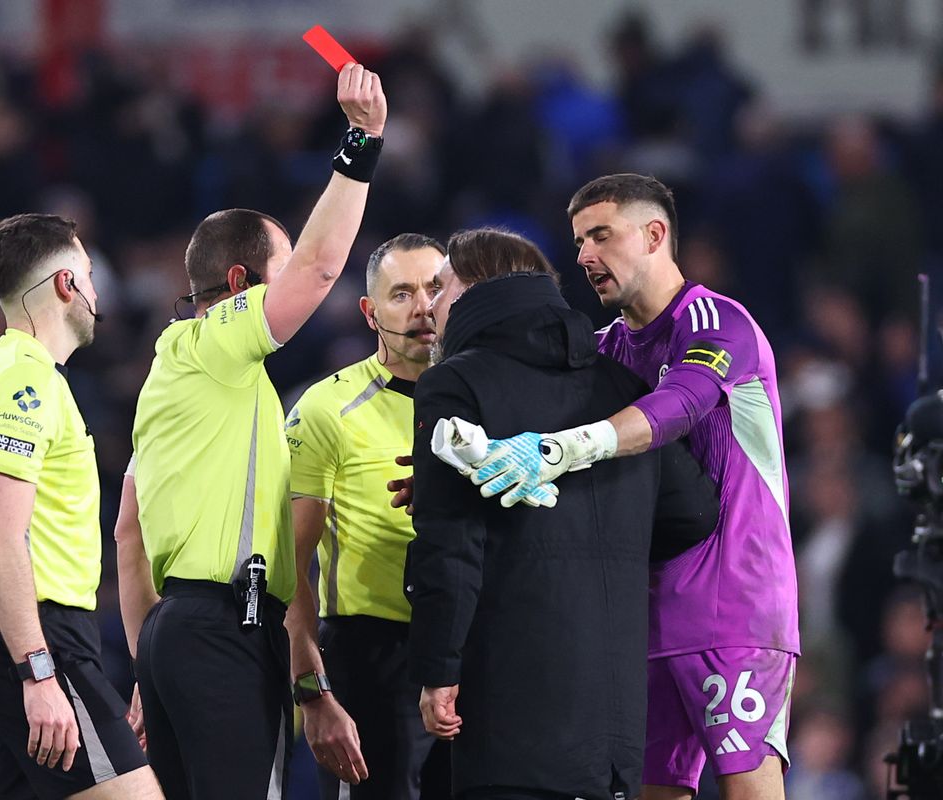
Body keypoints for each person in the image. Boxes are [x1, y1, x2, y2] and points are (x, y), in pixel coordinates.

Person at [448, 175, 800, 800]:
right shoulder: (607, 348)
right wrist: (453, 476)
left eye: (601, 236)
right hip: (643, 612)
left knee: (749, 788)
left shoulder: (719, 322)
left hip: (736, 605)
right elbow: (534, 431)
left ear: (655, 234)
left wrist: (562, 448)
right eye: (579, 240)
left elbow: (679, 405)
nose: (584, 256)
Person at [118, 63, 387, 800]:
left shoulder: (171, 381)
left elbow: (128, 536)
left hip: (175, 630)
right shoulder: (216, 344)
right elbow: (325, 266)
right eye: (281, 264)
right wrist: (361, 139)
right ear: (239, 286)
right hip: (223, 630)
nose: (294, 276)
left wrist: (147, 662)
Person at [409, 227, 719, 800]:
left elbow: (447, 548)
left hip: (510, 719)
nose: (430, 305)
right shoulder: (624, 385)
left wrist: (437, 671)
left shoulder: (455, 382)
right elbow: (695, 512)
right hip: (615, 734)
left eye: (441, 284)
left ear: (478, 289)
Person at [0, 213, 163, 799]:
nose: (97, 293)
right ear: (66, 286)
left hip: (16, 635)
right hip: (38, 639)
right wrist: (39, 674)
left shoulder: (0, 373)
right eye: (89, 276)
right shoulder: (29, 384)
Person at [284, 233, 450, 799]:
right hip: (373, 657)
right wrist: (313, 691)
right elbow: (289, 565)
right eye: (401, 294)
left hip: (473, 648)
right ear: (369, 312)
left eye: (435, 288)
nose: (423, 307)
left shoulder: (487, 399)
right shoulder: (326, 409)